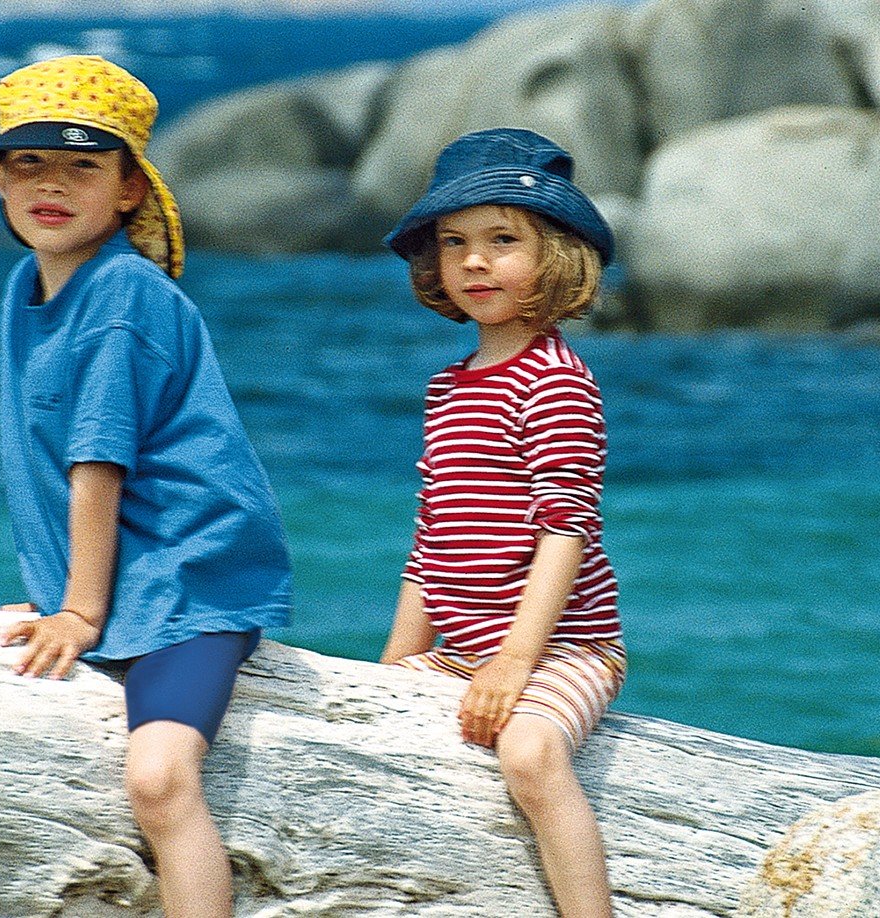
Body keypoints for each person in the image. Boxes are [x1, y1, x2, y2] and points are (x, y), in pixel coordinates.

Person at [0, 55, 292, 918]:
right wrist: (59, 594)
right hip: (125, 585)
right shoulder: (29, 285)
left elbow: (97, 463)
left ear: (129, 191)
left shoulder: (119, 296)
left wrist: (78, 612)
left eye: (83, 166)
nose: (51, 186)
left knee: (159, 781)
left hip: (189, 586)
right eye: (27, 164)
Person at [378, 128, 625, 917]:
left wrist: (516, 664)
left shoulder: (554, 381)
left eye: (501, 240)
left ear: (556, 254)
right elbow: (434, 534)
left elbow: (564, 527)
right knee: (356, 719)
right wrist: (393, 662)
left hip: (564, 646)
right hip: (466, 653)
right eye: (454, 243)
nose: (474, 262)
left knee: (527, 753)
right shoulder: (448, 387)